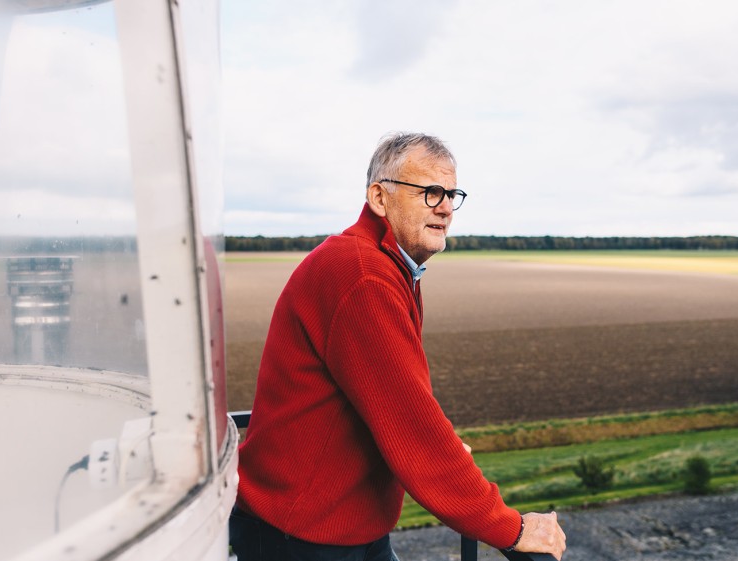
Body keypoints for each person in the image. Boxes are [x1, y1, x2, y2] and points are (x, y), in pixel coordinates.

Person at [231, 133, 567, 561]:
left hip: (338, 522)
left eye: (451, 195)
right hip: (303, 533)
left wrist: (443, 447)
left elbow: (394, 402)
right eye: (430, 192)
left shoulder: (383, 265)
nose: (445, 207)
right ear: (379, 197)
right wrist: (510, 527)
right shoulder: (362, 276)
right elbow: (411, 420)